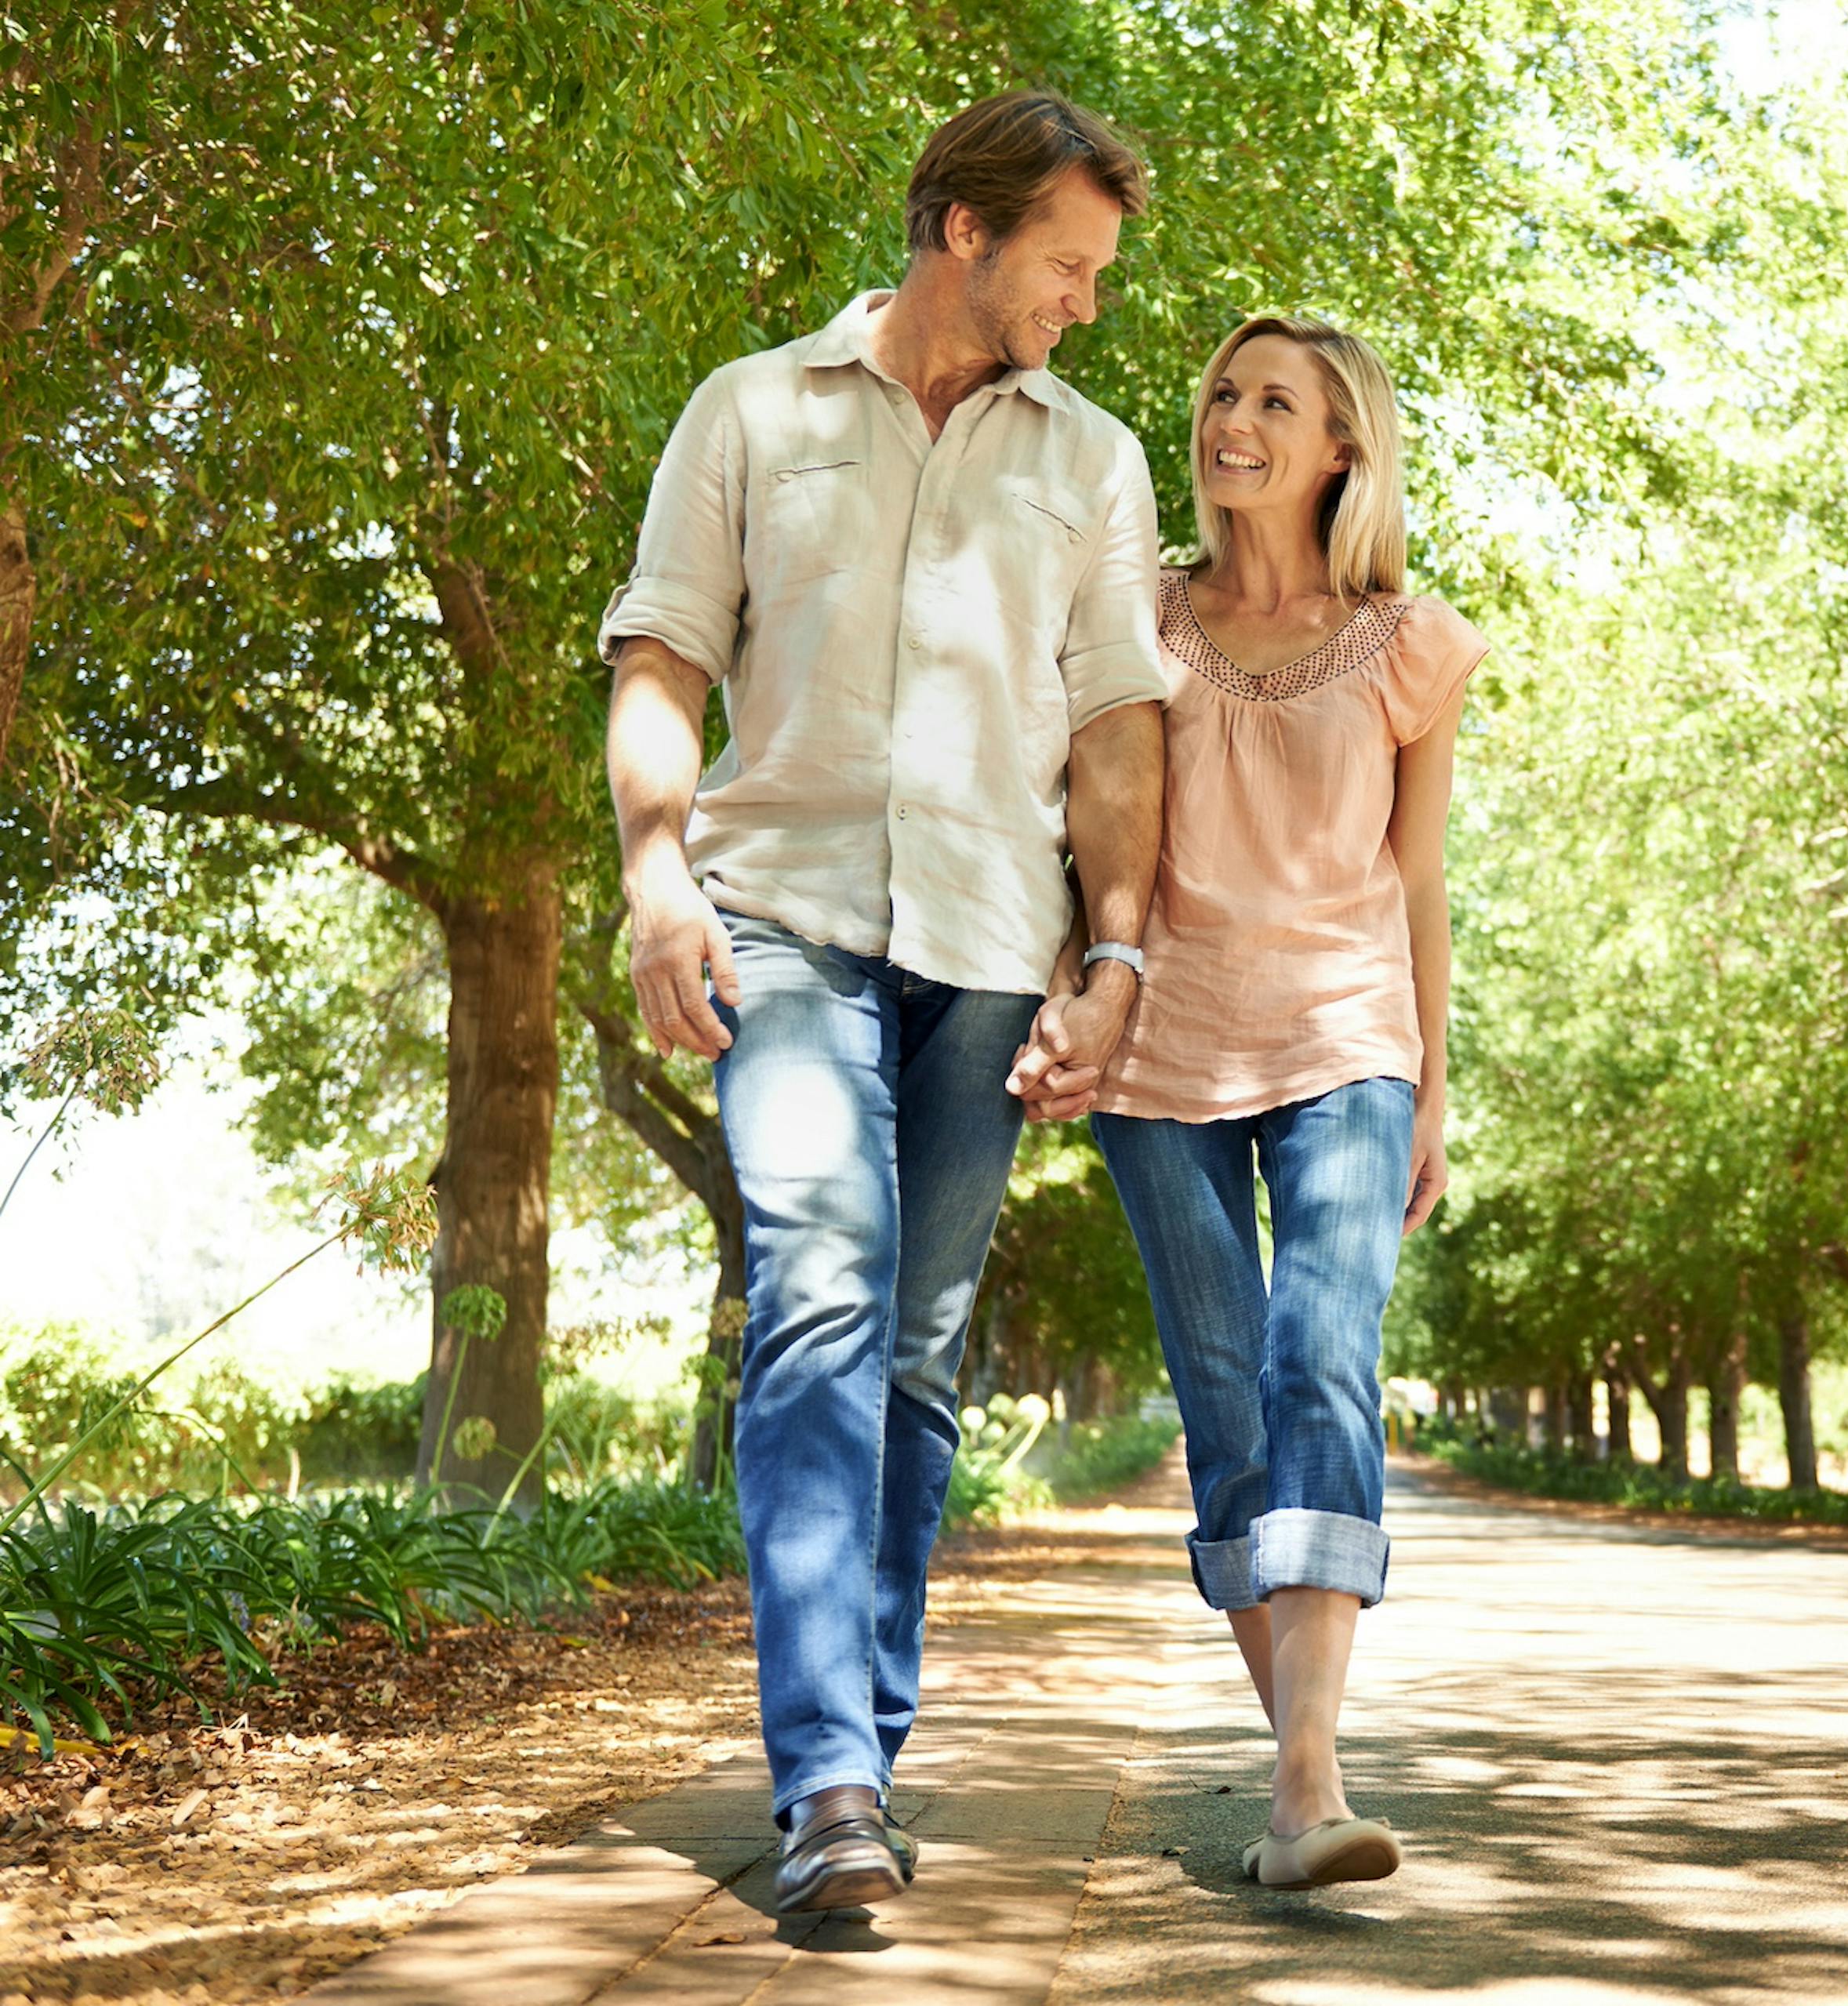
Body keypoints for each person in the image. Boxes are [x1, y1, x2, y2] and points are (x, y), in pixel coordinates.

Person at [597, 91, 1168, 1913]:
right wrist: (653, 877)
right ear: (965, 232)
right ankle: (827, 1776)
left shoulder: (1094, 460)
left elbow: (1114, 731)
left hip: (994, 943)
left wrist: (1120, 949)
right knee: (822, 1289)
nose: (1084, 302)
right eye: (1066, 266)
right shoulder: (752, 409)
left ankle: (868, 1737)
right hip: (785, 912)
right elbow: (663, 653)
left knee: (918, 1345)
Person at [1019, 315, 1486, 1891]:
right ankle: (1302, 1780)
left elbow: (1416, 875)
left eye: (1273, 400)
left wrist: (1432, 1075)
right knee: (1226, 1398)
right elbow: (1077, 826)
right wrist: (1069, 987)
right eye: (1224, 391)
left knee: (1316, 1353)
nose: (1232, 418)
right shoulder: (1130, 621)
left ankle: (1305, 1781)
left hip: (1348, 1035)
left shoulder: (1411, 644)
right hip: (1160, 1053)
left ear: (1342, 445)